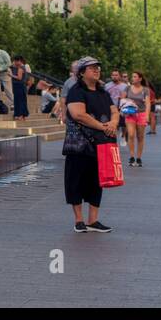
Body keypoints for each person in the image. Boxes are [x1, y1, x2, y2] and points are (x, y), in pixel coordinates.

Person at [64, 56, 116, 234]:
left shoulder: (103, 92)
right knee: (76, 180)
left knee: (96, 181)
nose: (96, 70)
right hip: (79, 144)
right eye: (92, 67)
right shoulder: (76, 90)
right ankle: (79, 220)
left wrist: (114, 123)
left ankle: (93, 220)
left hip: (101, 143)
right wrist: (103, 126)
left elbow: (114, 111)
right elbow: (78, 114)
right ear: (82, 72)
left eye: (98, 67)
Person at [123, 72, 150, 165]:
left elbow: (148, 103)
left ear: (140, 79)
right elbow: (122, 99)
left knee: (140, 136)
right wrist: (128, 101)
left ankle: (138, 158)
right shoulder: (127, 88)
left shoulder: (145, 90)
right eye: (132, 76)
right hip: (130, 114)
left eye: (135, 77)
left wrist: (147, 115)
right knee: (130, 135)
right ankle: (131, 156)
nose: (132, 78)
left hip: (141, 114)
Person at [9, 55, 30, 119]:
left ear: (19, 61)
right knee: (21, 100)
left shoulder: (20, 68)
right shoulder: (20, 67)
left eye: (15, 61)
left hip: (19, 85)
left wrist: (11, 75)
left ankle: (20, 115)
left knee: (19, 101)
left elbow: (19, 78)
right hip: (20, 86)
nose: (14, 62)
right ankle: (22, 115)